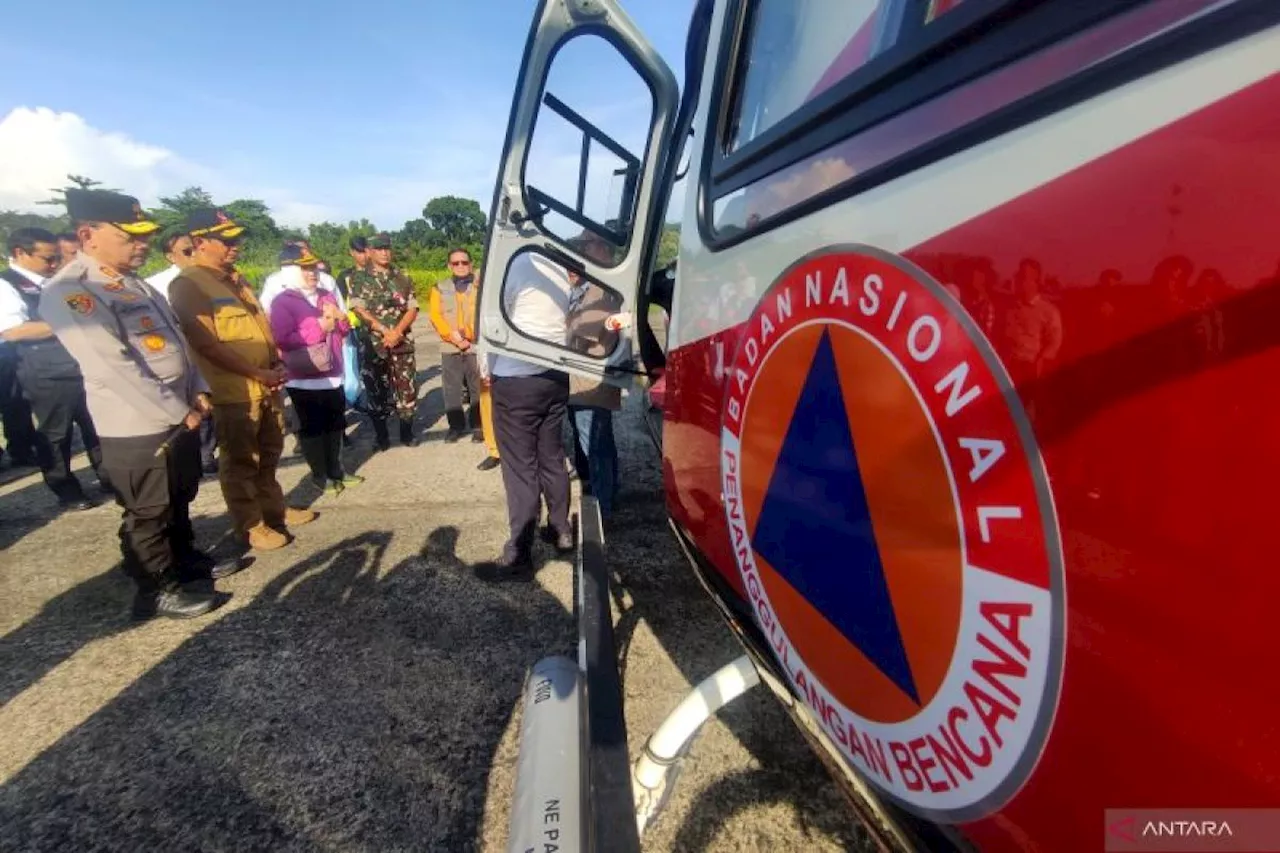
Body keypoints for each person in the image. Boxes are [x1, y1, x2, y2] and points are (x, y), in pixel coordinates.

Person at [40, 189, 242, 620]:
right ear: (87, 234)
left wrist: (199, 388)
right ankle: (156, 587)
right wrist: (177, 410)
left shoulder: (132, 282)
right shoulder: (73, 291)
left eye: (144, 235)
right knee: (148, 510)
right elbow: (112, 365)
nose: (142, 244)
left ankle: (186, 562)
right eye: (130, 235)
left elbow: (178, 345)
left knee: (179, 496)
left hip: (181, 412)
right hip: (137, 425)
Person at [169, 208, 316, 552]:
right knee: (240, 461)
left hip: (266, 383)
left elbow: (258, 328)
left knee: (268, 453)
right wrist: (257, 373)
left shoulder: (235, 279)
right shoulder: (189, 284)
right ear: (201, 242)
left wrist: (274, 366)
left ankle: (273, 509)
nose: (236, 245)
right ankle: (250, 525)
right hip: (234, 390)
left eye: (237, 238)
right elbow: (206, 343)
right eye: (227, 239)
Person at [482, 251, 578, 578]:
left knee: (520, 468)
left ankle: (519, 551)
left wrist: (485, 369)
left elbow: (494, 319)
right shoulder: (556, 266)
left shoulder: (510, 262)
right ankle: (561, 529)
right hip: (554, 375)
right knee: (552, 456)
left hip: (516, 378)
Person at [0, 226, 106, 509]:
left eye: (56, 257)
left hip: (79, 363)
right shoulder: (6, 284)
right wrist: (66, 324)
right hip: (45, 370)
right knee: (56, 434)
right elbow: (13, 331)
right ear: (20, 253)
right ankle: (66, 489)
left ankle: (109, 477)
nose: (54, 264)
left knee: (96, 425)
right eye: (47, 258)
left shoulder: (58, 280)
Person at [267, 244, 363, 495]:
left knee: (335, 425)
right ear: (291, 272)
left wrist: (340, 320)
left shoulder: (326, 296)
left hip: (332, 372)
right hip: (304, 377)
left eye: (314, 269)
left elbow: (342, 331)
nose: (313, 273)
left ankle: (337, 469)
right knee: (312, 428)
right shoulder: (282, 302)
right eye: (306, 269)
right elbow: (283, 339)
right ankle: (320, 475)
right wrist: (321, 326)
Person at [146, 228, 217, 475]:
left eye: (195, 248)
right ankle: (201, 455)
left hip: (212, 356)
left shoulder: (212, 278)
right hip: (183, 356)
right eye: (186, 251)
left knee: (212, 408)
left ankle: (208, 452)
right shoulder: (157, 285)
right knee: (196, 409)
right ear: (170, 256)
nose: (193, 254)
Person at [347, 232, 420, 449]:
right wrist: (383, 330)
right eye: (379, 249)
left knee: (406, 388)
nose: (384, 252)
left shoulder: (402, 276)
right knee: (376, 389)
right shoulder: (358, 278)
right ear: (369, 252)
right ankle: (382, 437)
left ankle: (406, 434)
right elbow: (358, 308)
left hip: (401, 341)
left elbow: (412, 307)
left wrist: (397, 331)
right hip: (374, 344)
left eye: (387, 248)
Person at [429, 248, 484, 443]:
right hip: (450, 344)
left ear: (471, 264)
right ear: (449, 266)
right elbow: (436, 315)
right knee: (451, 389)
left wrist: (469, 337)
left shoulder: (480, 286)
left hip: (475, 344)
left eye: (464, 262)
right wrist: (453, 337)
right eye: (455, 263)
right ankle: (456, 426)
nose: (460, 266)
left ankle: (479, 425)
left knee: (477, 386)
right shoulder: (439, 287)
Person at [334, 235, 368, 302]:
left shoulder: (378, 273)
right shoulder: (344, 276)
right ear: (352, 252)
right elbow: (340, 300)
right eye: (359, 252)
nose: (364, 256)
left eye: (365, 252)